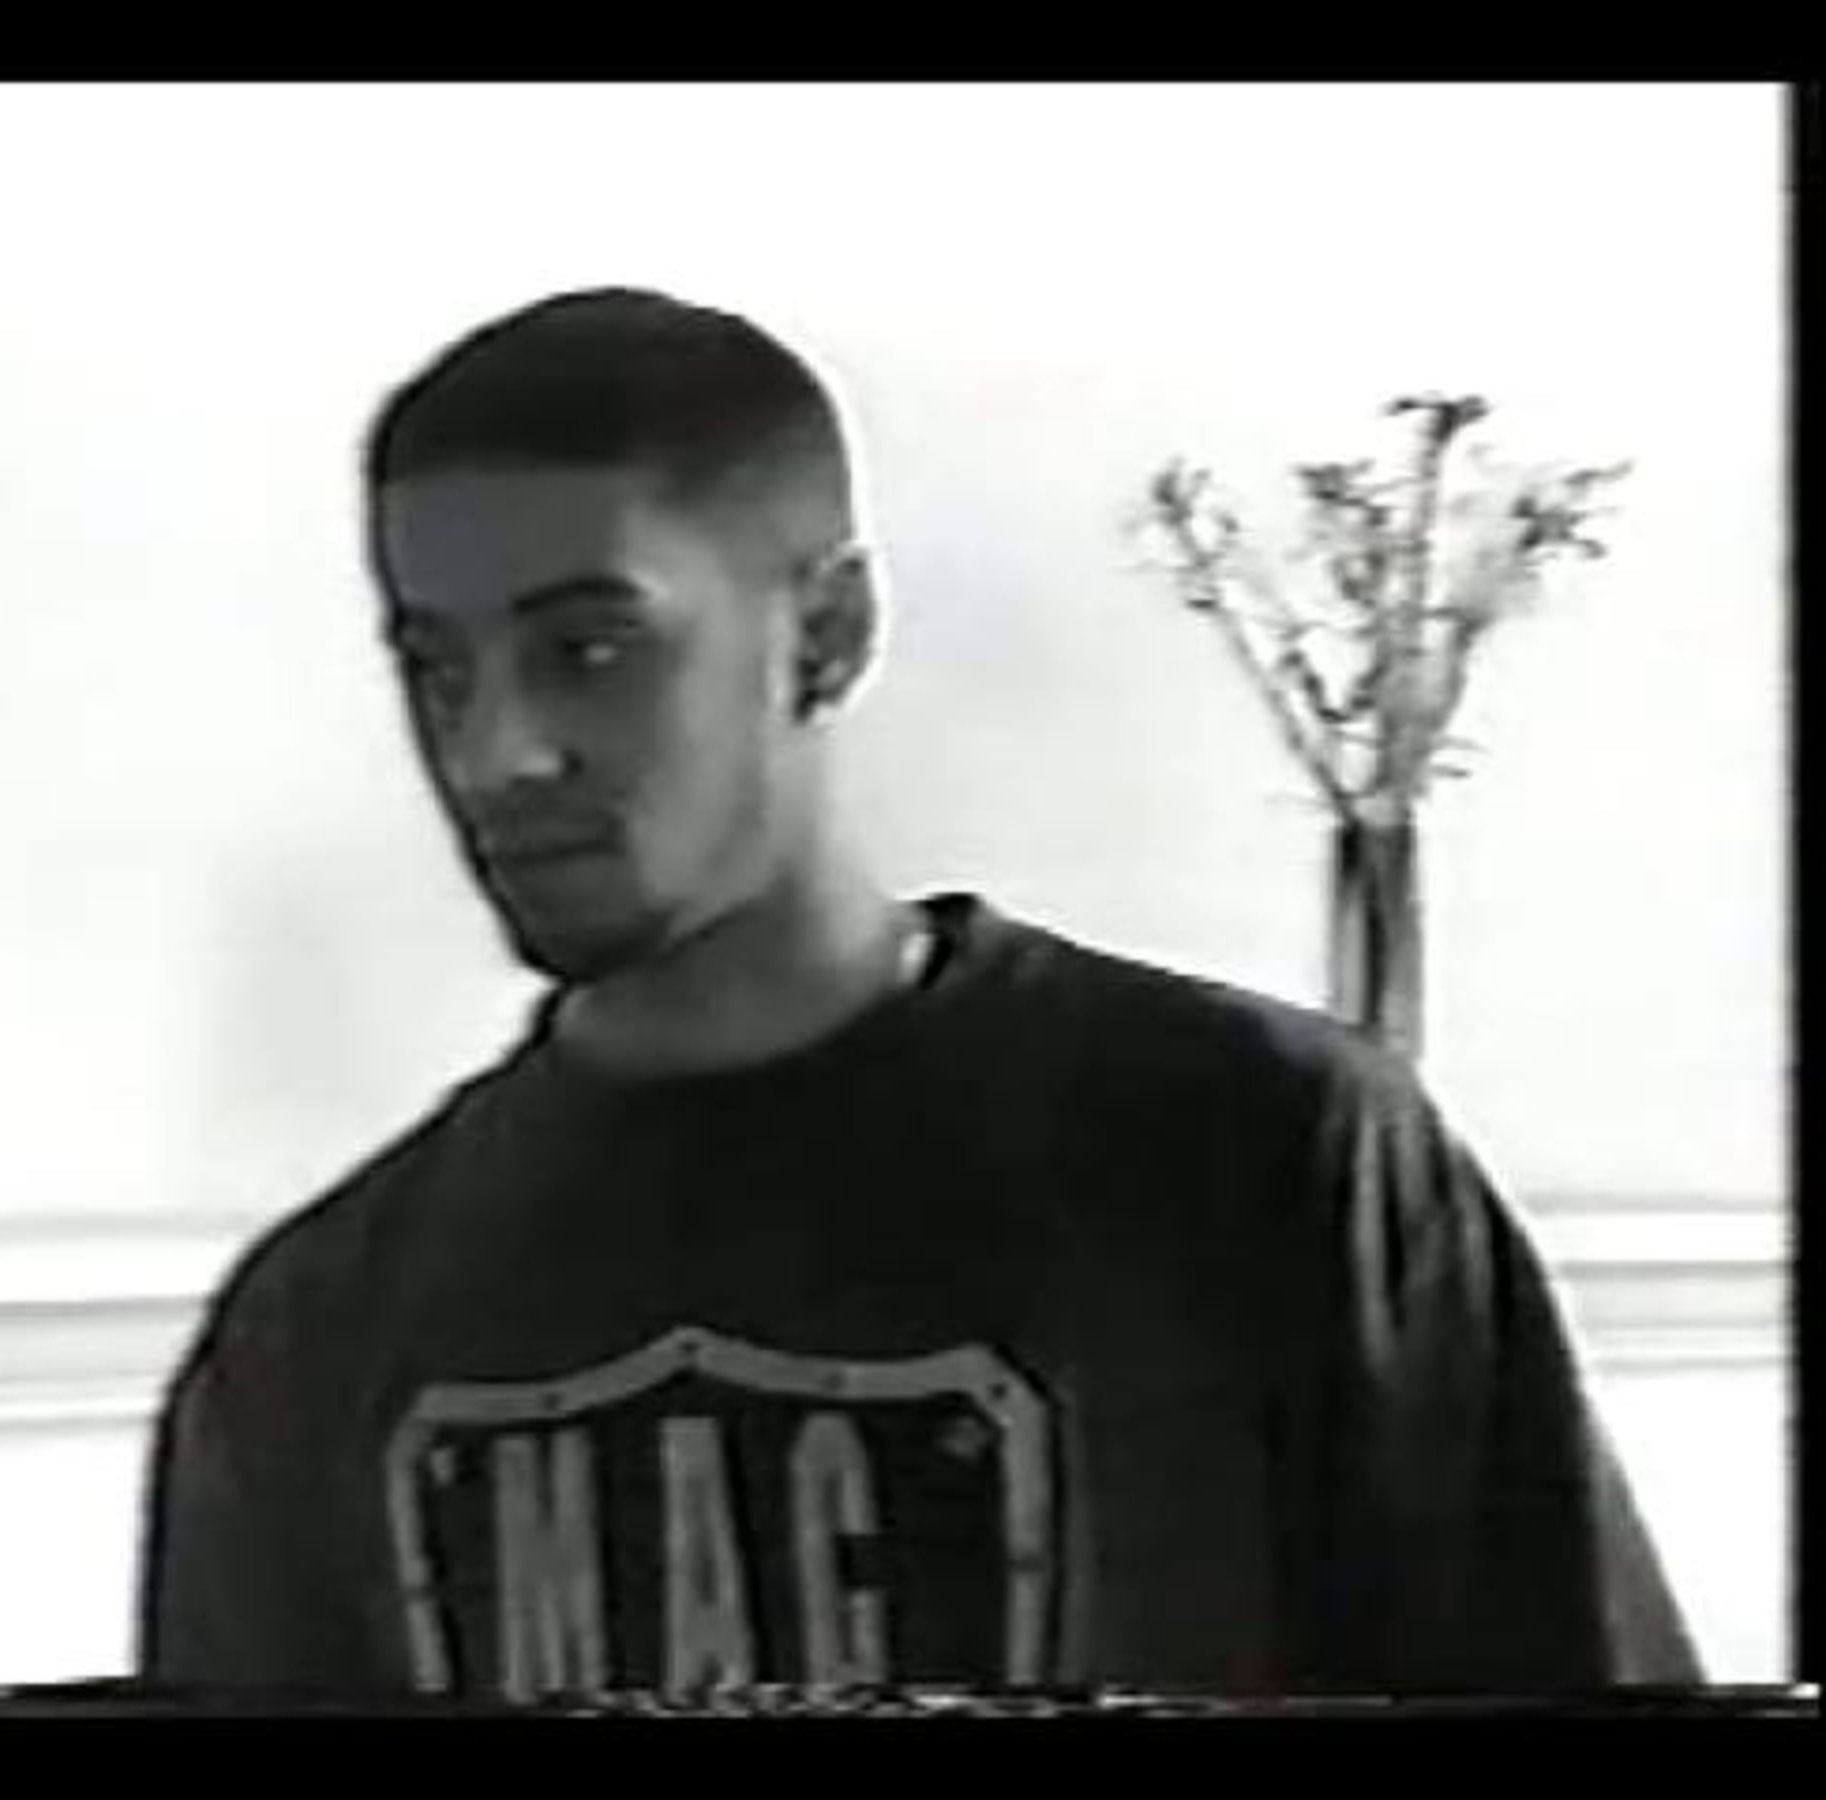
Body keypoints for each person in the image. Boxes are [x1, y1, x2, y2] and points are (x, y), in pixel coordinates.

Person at [136, 287, 1701, 1708]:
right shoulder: (317, 1327)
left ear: (826, 637)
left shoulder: (1263, 1159)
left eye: (589, 650)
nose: (495, 754)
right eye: (437, 670)